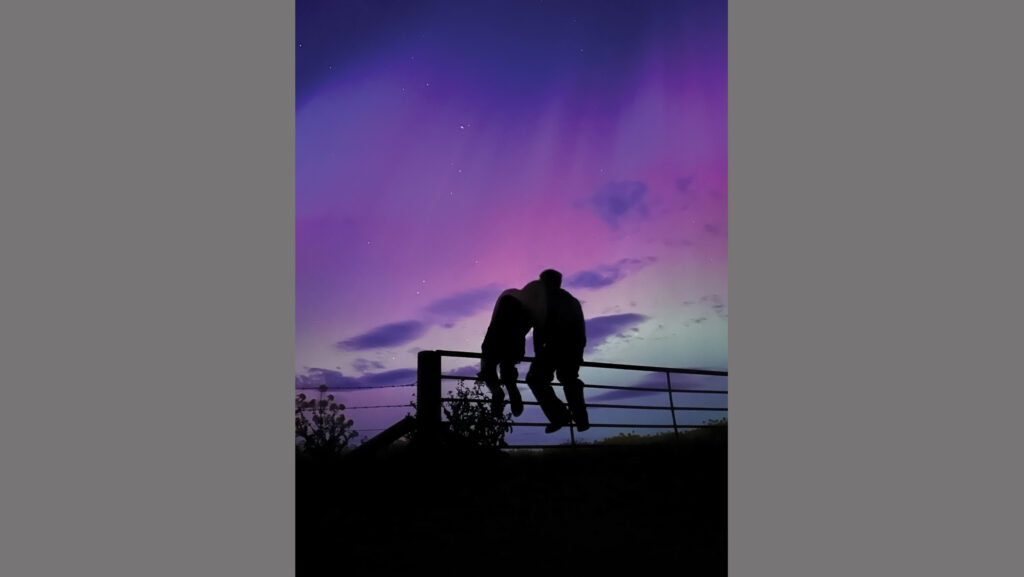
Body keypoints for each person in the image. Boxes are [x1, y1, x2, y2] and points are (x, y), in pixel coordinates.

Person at [526, 269, 590, 433]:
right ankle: (581, 420)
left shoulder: (546, 299)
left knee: (535, 379)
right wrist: (579, 352)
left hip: (555, 346)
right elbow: (581, 331)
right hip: (574, 348)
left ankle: (560, 416)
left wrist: (539, 353)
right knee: (569, 379)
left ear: (545, 282)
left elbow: (540, 328)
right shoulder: (573, 301)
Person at [477, 288, 530, 417]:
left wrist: (483, 367)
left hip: (494, 344)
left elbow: (487, 346)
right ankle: (512, 391)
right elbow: (523, 333)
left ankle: (497, 393)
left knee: (489, 370)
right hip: (513, 347)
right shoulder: (521, 318)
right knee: (508, 369)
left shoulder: (497, 320)